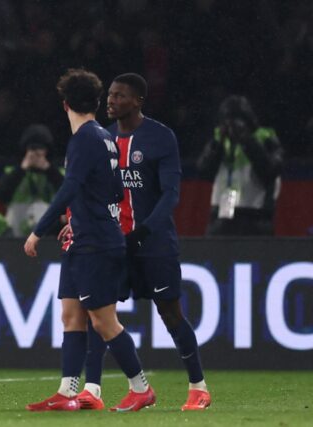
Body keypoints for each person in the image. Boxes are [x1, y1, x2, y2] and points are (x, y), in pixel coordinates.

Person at [23, 68, 155, 412]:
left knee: (103, 321)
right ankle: (68, 391)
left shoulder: (83, 139)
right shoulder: (106, 138)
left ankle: (141, 387)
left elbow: (70, 187)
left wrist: (39, 230)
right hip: (84, 237)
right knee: (70, 315)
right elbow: (113, 189)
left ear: (65, 104)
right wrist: (74, 219)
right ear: (96, 102)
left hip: (96, 242)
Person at [77, 72, 210, 411]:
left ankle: (198, 387)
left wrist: (143, 232)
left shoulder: (160, 137)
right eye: (110, 93)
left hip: (153, 244)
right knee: (98, 312)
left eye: (120, 95)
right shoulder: (102, 138)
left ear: (138, 101)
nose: (111, 100)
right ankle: (93, 390)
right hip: (113, 243)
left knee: (170, 314)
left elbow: (171, 194)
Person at [197, 95, 283, 235]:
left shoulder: (265, 137)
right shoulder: (220, 139)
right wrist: (218, 145)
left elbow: (270, 171)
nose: (232, 126)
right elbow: (203, 171)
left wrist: (247, 140)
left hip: (255, 214)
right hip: (222, 214)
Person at [0, 124, 64, 236]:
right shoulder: (13, 172)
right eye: (32, 148)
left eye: (40, 148)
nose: (36, 153)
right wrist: (22, 169)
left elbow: (71, 196)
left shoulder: (58, 173)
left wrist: (48, 169)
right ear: (25, 150)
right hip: (17, 229)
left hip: (49, 233)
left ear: (47, 150)